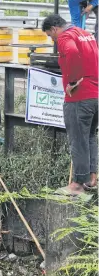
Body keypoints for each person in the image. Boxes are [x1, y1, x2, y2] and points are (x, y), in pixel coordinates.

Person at [42, 14, 98, 195]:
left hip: (79, 98)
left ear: (54, 29)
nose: (53, 40)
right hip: (95, 95)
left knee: (77, 140)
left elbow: (72, 52)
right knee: (89, 137)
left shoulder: (66, 37)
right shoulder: (85, 34)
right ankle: (91, 178)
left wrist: (72, 82)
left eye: (51, 36)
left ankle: (77, 184)